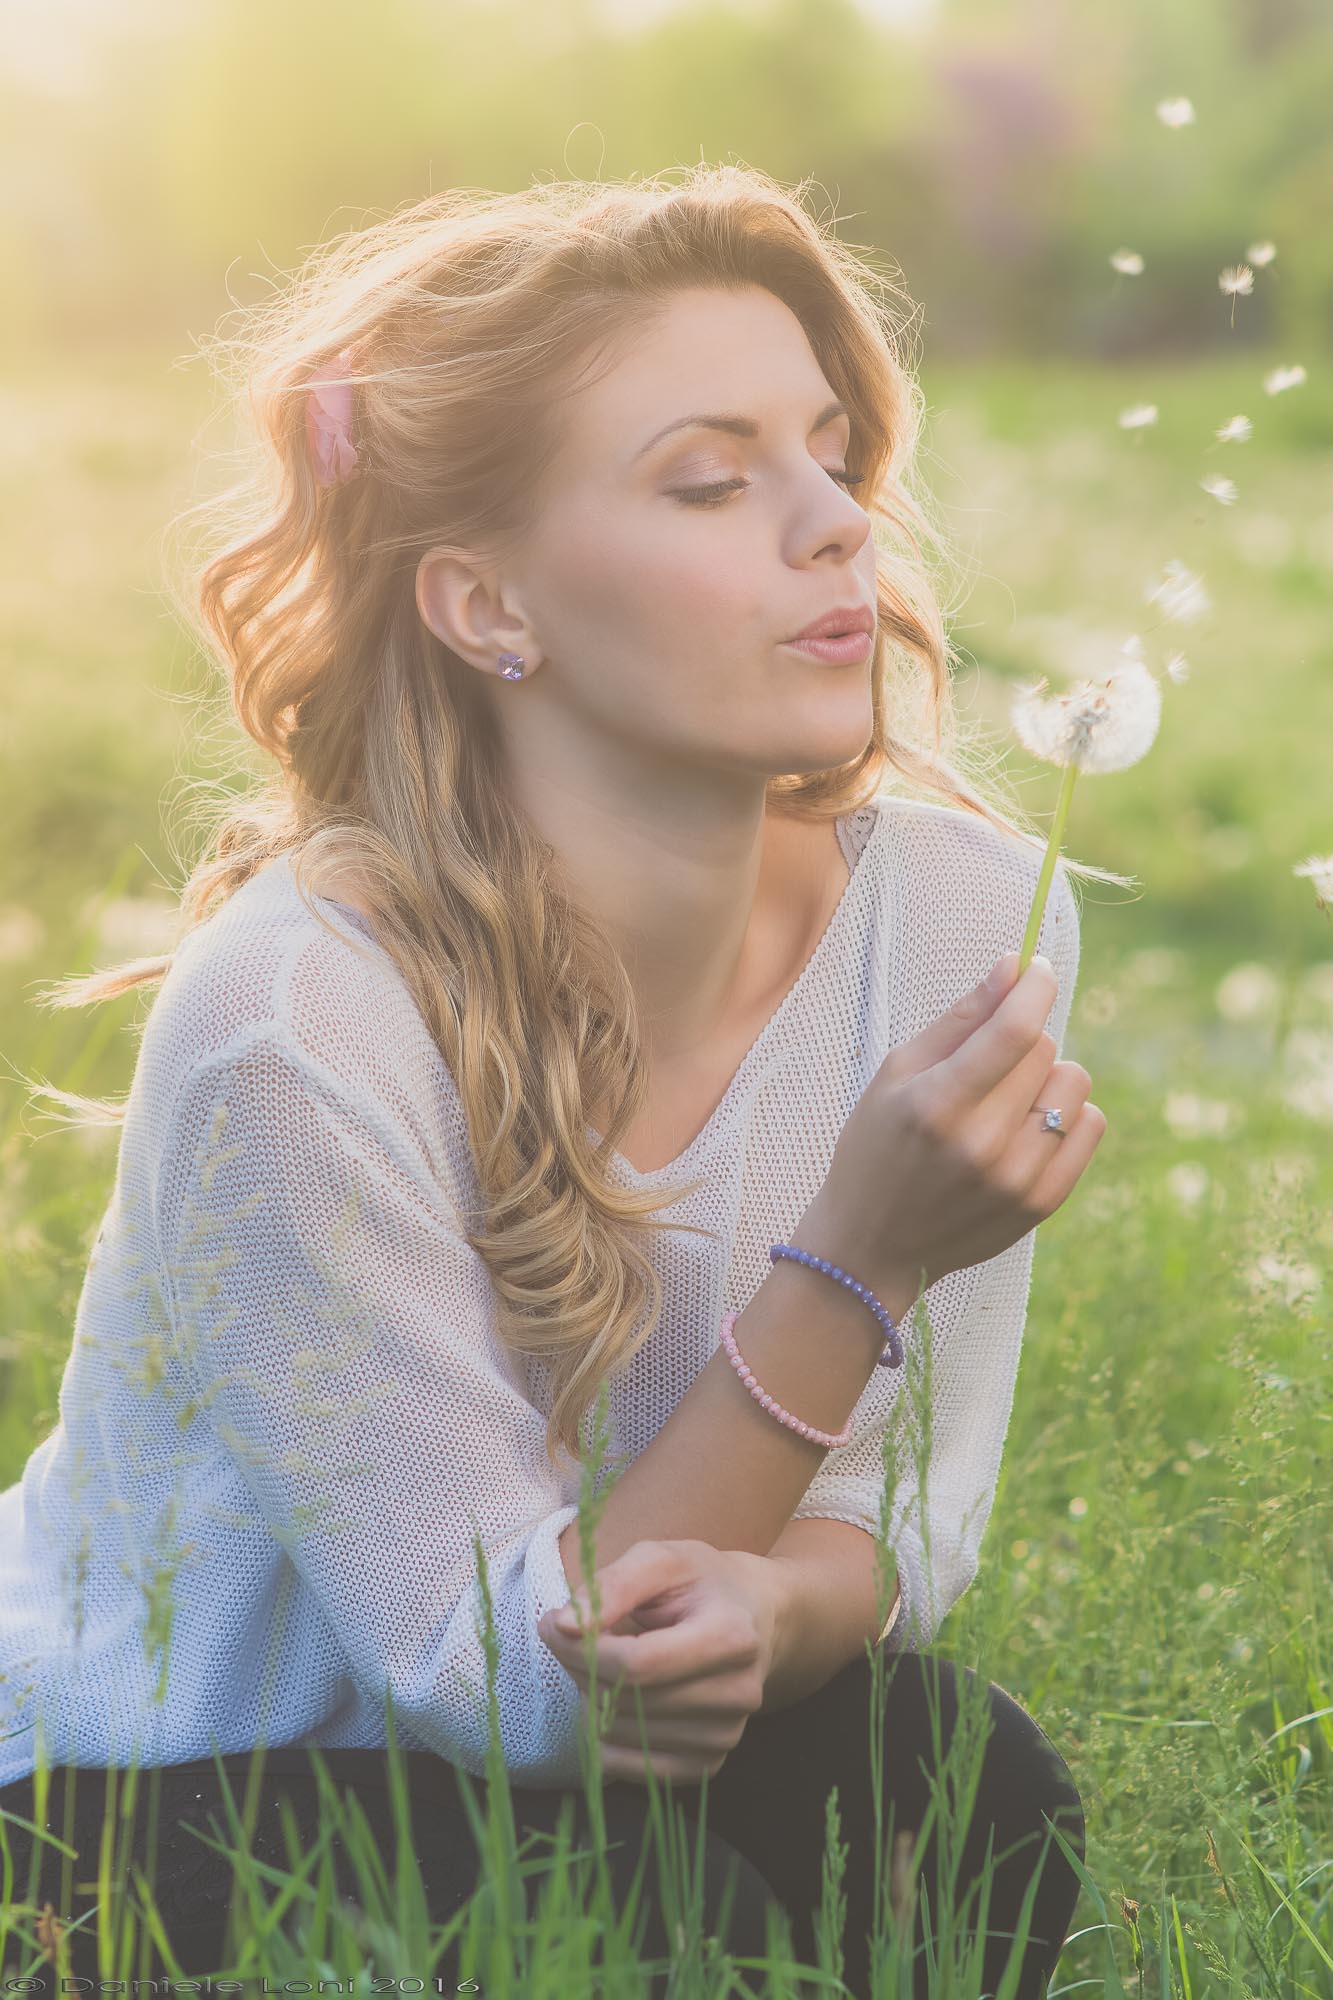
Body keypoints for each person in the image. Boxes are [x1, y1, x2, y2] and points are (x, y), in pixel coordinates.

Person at [0, 164, 1115, 1994]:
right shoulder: (294, 1020)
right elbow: (511, 1682)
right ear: (483, 602)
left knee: (961, 1791)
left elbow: (893, 1522)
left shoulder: (965, 929)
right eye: (709, 480)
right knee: (649, 1939)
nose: (834, 524)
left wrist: (769, 1610)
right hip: (158, 1789)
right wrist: (858, 1258)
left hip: (565, 1722)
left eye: (831, 454)